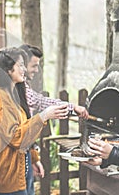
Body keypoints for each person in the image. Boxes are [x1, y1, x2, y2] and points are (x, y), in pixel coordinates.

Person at [0, 47, 70, 195]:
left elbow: (24, 130)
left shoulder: (14, 94)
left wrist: (33, 158)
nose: (24, 69)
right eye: (20, 65)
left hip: (23, 170)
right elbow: (15, 137)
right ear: (7, 70)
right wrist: (43, 116)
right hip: (8, 176)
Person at [18, 44, 89, 195]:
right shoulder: (13, 91)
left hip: (26, 155)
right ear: (22, 65)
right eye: (34, 66)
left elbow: (41, 101)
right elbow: (41, 104)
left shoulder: (23, 87)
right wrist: (72, 107)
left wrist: (73, 107)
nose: (37, 70)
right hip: (14, 163)